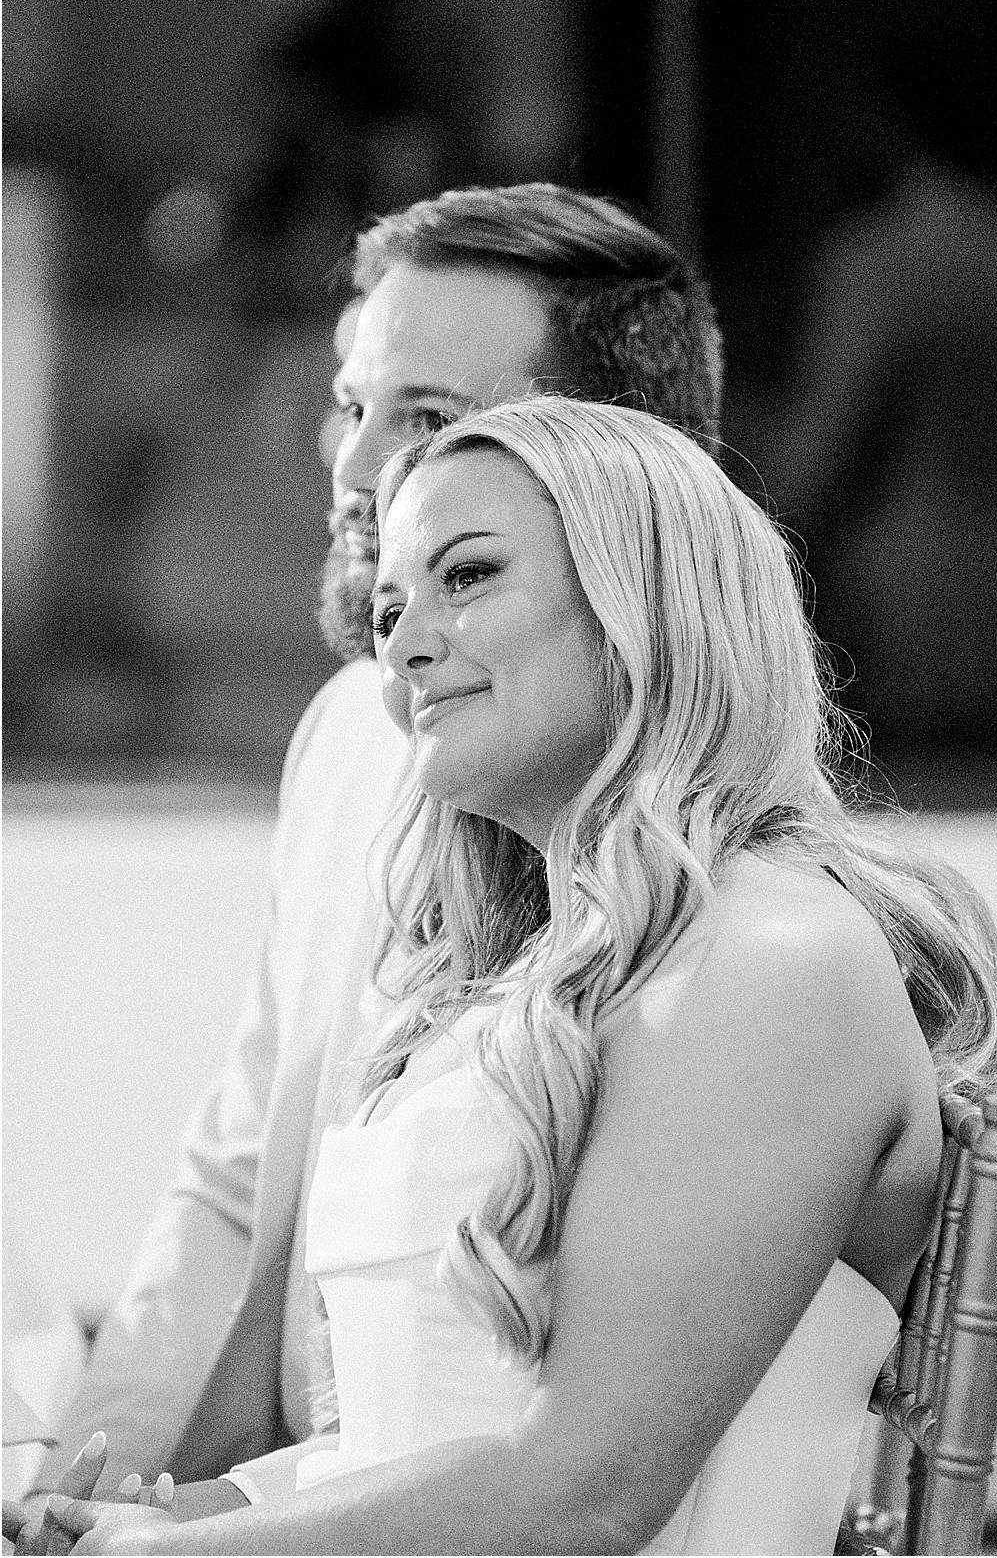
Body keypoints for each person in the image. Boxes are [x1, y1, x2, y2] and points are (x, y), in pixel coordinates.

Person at [41, 397, 997, 1555]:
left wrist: (166, 1557)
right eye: (393, 603)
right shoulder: (519, 983)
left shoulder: (775, 961)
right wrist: (187, 1513)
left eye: (467, 576)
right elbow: (410, 1449)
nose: (399, 644)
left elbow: (581, 1494)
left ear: (641, 596)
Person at [9, 184, 726, 1546]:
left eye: (423, 418)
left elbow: (584, 1478)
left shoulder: (737, 937)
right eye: (352, 407)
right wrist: (80, 1496)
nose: (351, 475)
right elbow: (231, 1190)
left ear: (616, 464)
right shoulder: (350, 740)